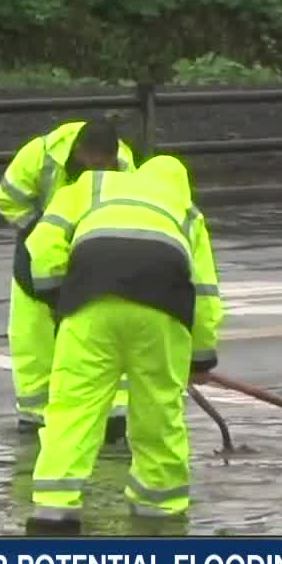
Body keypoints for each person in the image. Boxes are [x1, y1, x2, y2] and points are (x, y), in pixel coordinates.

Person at [22, 146, 224, 530]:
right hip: (161, 313)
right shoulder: (187, 212)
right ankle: (158, 512)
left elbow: (42, 244)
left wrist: (57, 296)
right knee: (158, 412)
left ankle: (53, 510)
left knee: (72, 409)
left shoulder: (92, 186)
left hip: (89, 307)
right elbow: (204, 294)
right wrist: (200, 358)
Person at [0, 119, 137, 441]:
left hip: (93, 251)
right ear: (80, 152)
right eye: (93, 163)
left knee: (102, 338)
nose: (98, 170)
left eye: (105, 165)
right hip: (37, 249)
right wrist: (42, 229)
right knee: (35, 339)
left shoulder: (125, 165)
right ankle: (35, 417)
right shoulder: (39, 155)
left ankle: (114, 417)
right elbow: (6, 199)